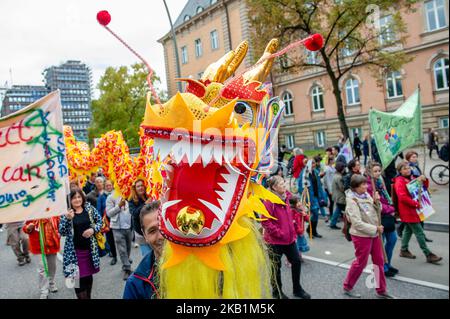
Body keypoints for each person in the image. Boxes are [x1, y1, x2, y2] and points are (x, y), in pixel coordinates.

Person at [342, 175, 395, 299]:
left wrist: (377, 202)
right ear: (355, 187)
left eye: (366, 184)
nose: (366, 186)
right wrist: (375, 228)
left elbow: (377, 210)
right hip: (361, 236)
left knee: (379, 261)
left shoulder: (366, 195)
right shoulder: (351, 201)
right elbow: (357, 223)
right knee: (361, 262)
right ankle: (347, 286)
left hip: (374, 234)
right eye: (363, 185)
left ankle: (381, 290)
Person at [262, 176, 310, 299]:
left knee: (296, 261)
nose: (284, 185)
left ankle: (297, 289)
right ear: (274, 187)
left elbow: (294, 205)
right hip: (275, 241)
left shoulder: (287, 196)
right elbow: (265, 221)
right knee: (275, 268)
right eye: (281, 184)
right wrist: (279, 233)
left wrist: (300, 209)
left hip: (289, 239)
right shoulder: (269, 201)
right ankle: (277, 292)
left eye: (284, 182)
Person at [393, 161, 442, 264]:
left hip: (414, 209)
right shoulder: (399, 181)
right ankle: (428, 254)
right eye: (404, 169)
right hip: (408, 211)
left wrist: (424, 179)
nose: (408, 170)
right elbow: (402, 197)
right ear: (400, 171)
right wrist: (415, 204)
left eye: (408, 168)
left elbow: (423, 188)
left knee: (408, 230)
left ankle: (404, 250)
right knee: (419, 232)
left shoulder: (412, 177)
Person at [59, 188, 102, 299]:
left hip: (89, 251)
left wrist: (93, 230)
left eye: (79, 197)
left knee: (88, 277)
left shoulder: (89, 208)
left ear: (82, 198)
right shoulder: (67, 213)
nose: (77, 200)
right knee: (77, 280)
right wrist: (68, 219)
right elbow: (62, 232)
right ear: (70, 200)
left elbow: (100, 221)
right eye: (74, 198)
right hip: (74, 253)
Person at [123, 201, 163, 299]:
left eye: (164, 226)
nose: (161, 236)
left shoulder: (198, 266)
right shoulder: (135, 284)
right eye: (152, 231)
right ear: (145, 236)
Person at [366, 162, 398, 278]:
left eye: (379, 170)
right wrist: (389, 208)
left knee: (392, 239)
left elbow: (386, 197)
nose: (378, 173)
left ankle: (387, 263)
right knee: (380, 244)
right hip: (378, 217)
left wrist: (391, 207)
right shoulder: (368, 185)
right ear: (369, 172)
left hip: (387, 214)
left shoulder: (380, 181)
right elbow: (375, 204)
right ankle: (382, 267)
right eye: (375, 171)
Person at [397, 151, 433, 243]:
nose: (415, 158)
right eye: (413, 157)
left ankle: (404, 248)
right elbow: (404, 194)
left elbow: (420, 183)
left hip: (417, 199)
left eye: (416, 157)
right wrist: (416, 203)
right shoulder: (400, 179)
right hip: (411, 203)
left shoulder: (415, 167)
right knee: (412, 225)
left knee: (416, 223)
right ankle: (426, 250)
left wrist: (424, 179)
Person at [23, 217, 60, 299]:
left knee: (52, 266)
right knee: (42, 268)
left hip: (52, 244)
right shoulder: (32, 212)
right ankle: (44, 290)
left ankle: (51, 282)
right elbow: (25, 228)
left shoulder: (53, 210)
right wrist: (28, 227)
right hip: (37, 245)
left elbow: (60, 224)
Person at [106, 192, 133, 280]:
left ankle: (126, 262)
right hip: (117, 227)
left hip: (129, 226)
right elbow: (109, 213)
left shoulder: (129, 194)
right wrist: (119, 206)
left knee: (128, 248)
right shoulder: (111, 197)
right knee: (122, 249)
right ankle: (127, 268)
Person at [298, 159, 328, 238]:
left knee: (316, 215)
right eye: (312, 163)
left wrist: (322, 197)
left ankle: (313, 231)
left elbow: (319, 186)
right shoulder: (304, 174)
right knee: (314, 213)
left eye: (314, 163)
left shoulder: (316, 172)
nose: (313, 165)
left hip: (317, 196)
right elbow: (300, 187)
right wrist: (306, 197)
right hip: (310, 197)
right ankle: (310, 229)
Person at [129, 179, 152, 257]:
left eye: (142, 185)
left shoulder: (149, 196)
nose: (140, 188)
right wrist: (145, 204)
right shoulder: (132, 200)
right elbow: (134, 214)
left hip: (152, 230)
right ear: (135, 188)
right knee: (147, 256)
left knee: (156, 254)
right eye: (138, 186)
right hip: (141, 233)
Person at [97, 179, 118, 265]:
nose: (108, 187)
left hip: (117, 220)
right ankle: (114, 256)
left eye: (110, 185)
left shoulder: (117, 195)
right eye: (107, 186)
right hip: (107, 222)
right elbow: (99, 210)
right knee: (110, 240)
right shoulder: (101, 197)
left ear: (113, 186)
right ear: (104, 187)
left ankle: (125, 257)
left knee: (121, 240)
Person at [290, 196, 310, 262]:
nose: (299, 203)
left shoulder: (301, 211)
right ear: (293, 204)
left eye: (299, 202)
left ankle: (299, 256)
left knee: (300, 245)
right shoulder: (292, 212)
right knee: (295, 246)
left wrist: (305, 215)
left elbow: (307, 220)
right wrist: (299, 231)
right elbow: (294, 223)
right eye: (297, 202)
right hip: (295, 233)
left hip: (301, 231)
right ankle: (290, 259)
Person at [330, 162, 347, 230]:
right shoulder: (339, 177)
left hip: (336, 196)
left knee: (338, 209)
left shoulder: (335, 175)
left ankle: (333, 222)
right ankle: (333, 223)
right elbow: (342, 188)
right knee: (342, 210)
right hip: (340, 197)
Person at [323, 156, 336, 222]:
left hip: (332, 186)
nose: (334, 160)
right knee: (331, 201)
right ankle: (331, 214)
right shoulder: (327, 169)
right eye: (333, 159)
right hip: (329, 187)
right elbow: (327, 180)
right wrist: (330, 190)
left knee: (332, 201)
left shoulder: (332, 167)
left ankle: (331, 213)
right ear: (330, 161)